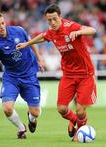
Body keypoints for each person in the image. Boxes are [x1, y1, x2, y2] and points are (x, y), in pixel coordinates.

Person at [17, 4, 97, 141]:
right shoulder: (51, 31)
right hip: (68, 75)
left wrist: (79, 32)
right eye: (49, 20)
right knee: (61, 108)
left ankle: (79, 133)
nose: (52, 23)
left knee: (80, 109)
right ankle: (74, 121)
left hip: (85, 74)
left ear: (60, 17)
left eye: (55, 19)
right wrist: (27, 44)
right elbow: (43, 36)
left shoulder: (71, 26)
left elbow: (92, 30)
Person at [0, 11, 44, 139]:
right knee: (7, 108)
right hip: (11, 77)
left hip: (29, 74)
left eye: (3, 23)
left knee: (36, 112)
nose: (2, 26)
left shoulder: (18, 31)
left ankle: (31, 118)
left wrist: (39, 59)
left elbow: (31, 43)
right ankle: (21, 128)